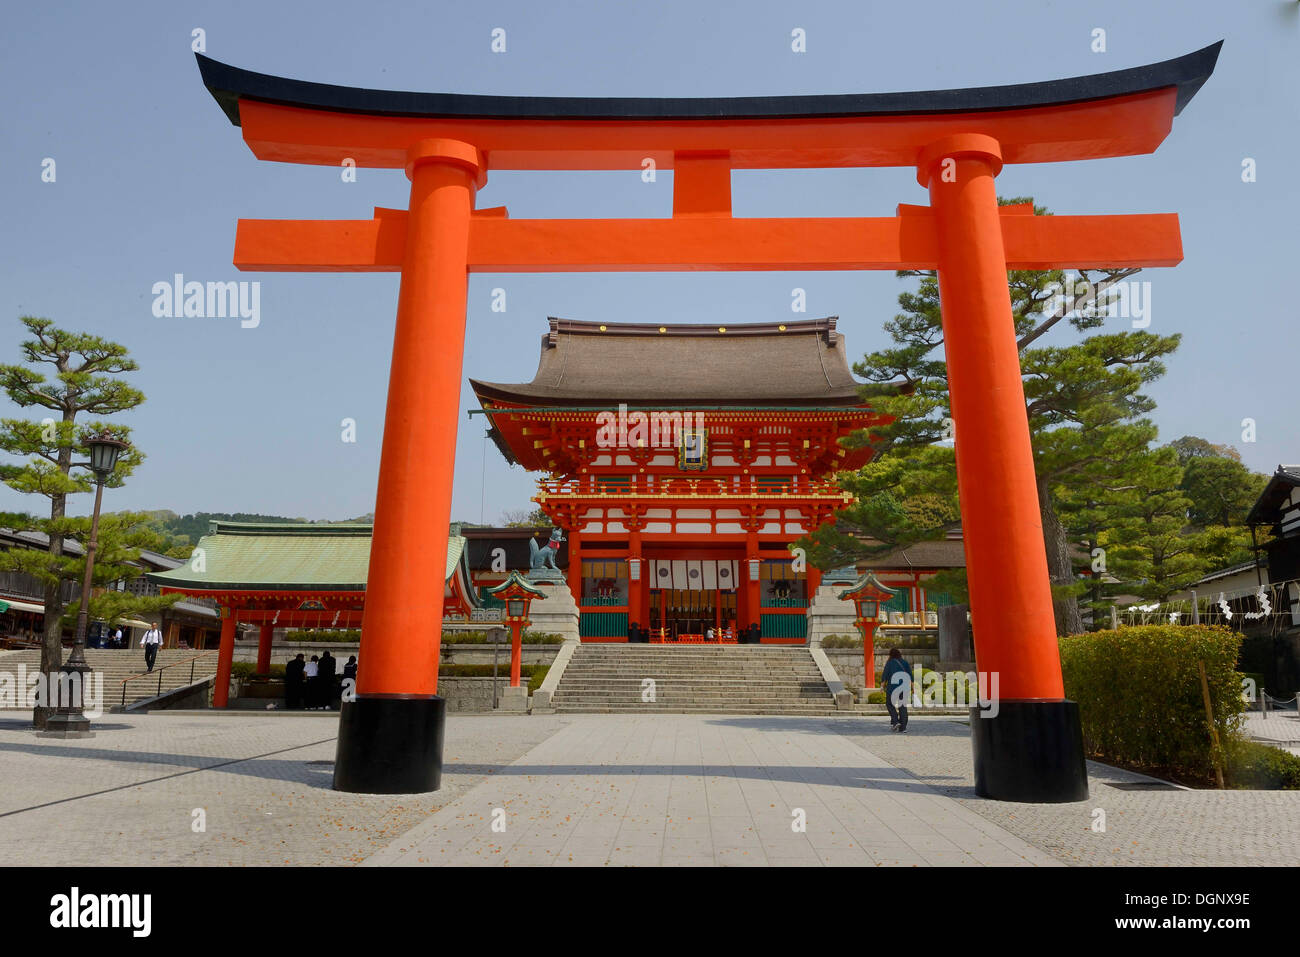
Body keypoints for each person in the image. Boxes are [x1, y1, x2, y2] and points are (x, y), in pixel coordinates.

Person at [882, 647, 913, 733]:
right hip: (904, 688)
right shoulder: (905, 663)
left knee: (889, 704)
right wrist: (913, 688)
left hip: (892, 688)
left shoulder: (889, 663)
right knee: (902, 707)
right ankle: (903, 727)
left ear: (891, 655)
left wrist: (882, 687)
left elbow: (885, 675)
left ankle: (895, 721)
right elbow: (910, 676)